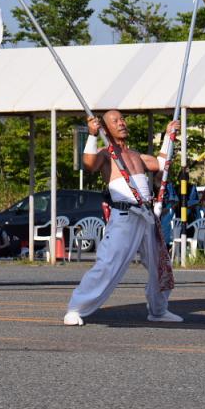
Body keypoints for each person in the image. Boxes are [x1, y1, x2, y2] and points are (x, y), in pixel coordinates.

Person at [63, 110, 183, 326]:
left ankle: (158, 310)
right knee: (108, 264)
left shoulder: (136, 155)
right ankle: (76, 308)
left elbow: (162, 164)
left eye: (122, 119)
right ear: (106, 128)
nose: (121, 123)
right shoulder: (106, 154)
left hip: (146, 215)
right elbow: (89, 164)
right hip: (124, 216)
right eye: (115, 121)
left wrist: (168, 137)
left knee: (160, 265)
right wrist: (91, 134)